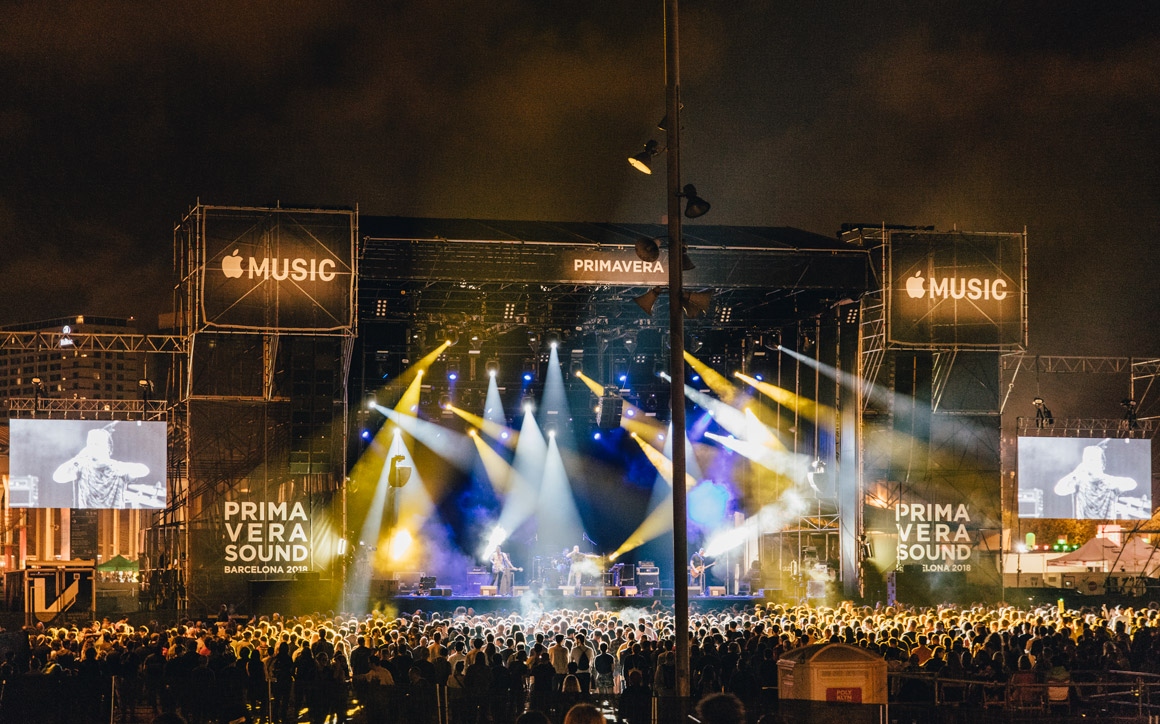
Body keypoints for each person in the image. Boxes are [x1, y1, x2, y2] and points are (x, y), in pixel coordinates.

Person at [52, 426, 155, 508]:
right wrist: (78, 458)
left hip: (114, 519)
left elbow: (145, 470)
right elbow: (57, 477)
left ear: (108, 448)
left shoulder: (118, 468)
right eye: (90, 444)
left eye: (97, 444)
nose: (92, 447)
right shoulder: (81, 466)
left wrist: (126, 468)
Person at [1053, 441, 1139, 518]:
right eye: (1086, 460)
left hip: (1106, 527)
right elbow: (1058, 490)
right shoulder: (1079, 481)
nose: (1089, 463)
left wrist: (1113, 482)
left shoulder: (1110, 482)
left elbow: (1132, 484)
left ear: (1102, 464)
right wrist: (1075, 472)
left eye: (1093, 460)